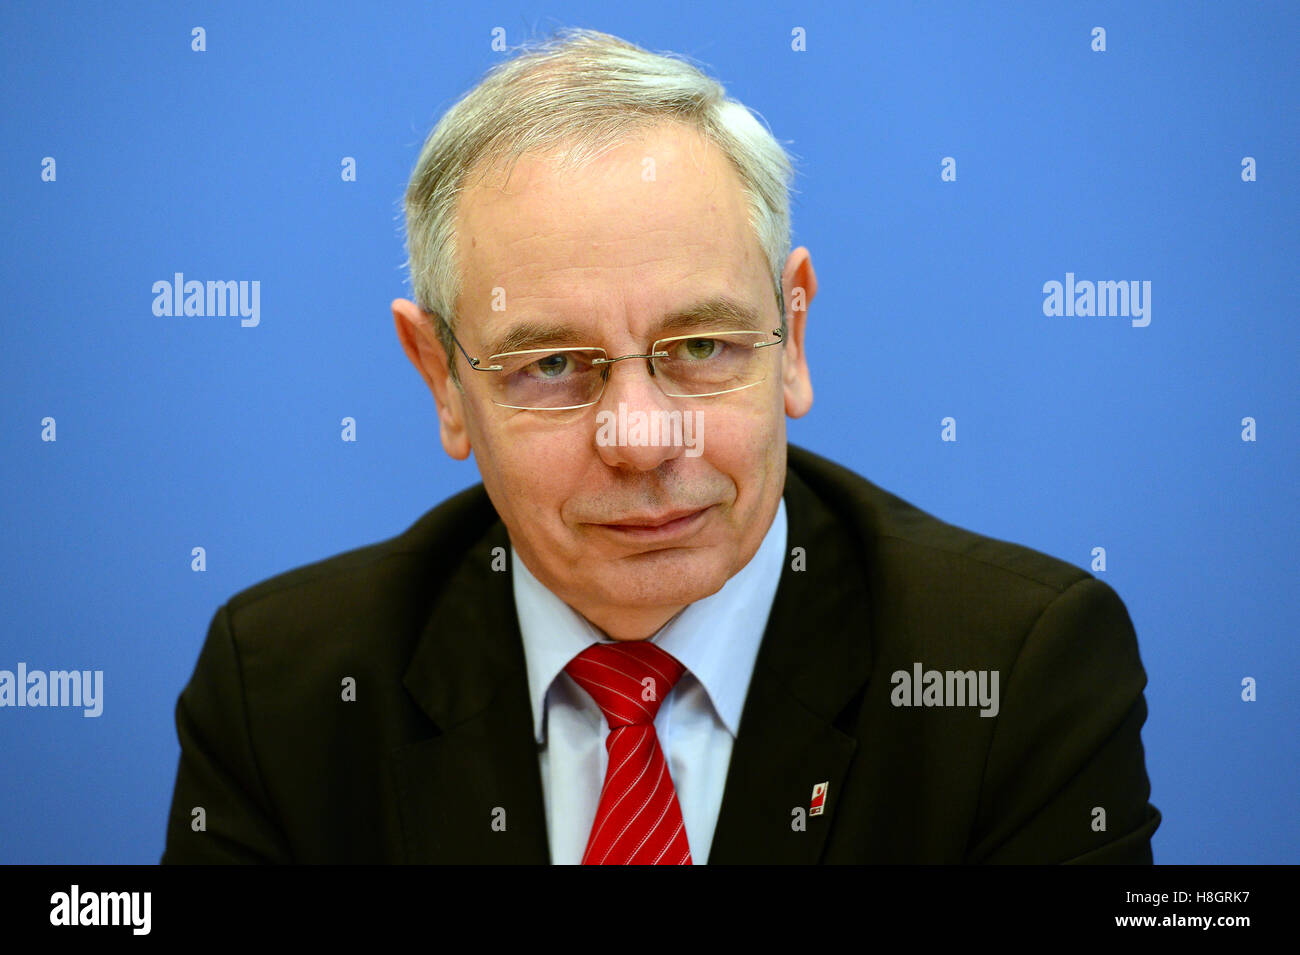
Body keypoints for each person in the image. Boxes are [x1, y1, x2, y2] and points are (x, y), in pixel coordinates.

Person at [161, 28, 1159, 864]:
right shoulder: (285, 690)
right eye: (551, 364)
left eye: (697, 347)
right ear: (442, 379)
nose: (640, 439)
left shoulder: (1012, 674)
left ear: (792, 336)